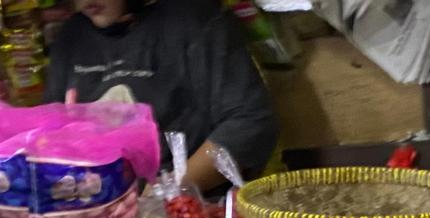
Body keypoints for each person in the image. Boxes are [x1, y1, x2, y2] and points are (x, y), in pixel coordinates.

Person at [45, 0, 278, 191]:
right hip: (101, 213)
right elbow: (47, 139)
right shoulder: (72, 37)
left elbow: (250, 124)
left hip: (194, 214)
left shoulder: (195, 19)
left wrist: (166, 193)